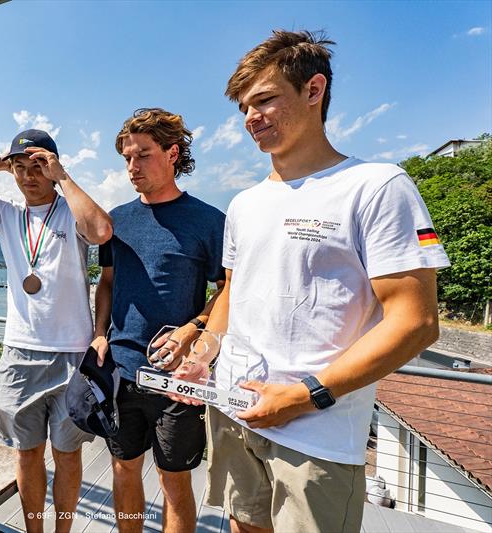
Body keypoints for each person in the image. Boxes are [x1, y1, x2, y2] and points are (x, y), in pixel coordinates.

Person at [175, 30, 450, 533]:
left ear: (314, 90)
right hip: (234, 411)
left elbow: (417, 322)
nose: (251, 118)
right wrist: (201, 357)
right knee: (242, 525)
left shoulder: (377, 187)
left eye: (264, 100)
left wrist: (304, 396)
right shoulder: (244, 203)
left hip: (317, 432)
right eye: (243, 108)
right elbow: (235, 293)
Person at [0, 129, 112, 533]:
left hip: (72, 356)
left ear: (52, 168)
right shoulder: (5, 213)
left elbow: (100, 231)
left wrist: (62, 176)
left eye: (38, 167)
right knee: (27, 455)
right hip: (19, 356)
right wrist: (0, 161)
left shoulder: (70, 211)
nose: (29, 175)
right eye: (21, 168)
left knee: (67, 456)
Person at [93, 108, 226, 533]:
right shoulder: (116, 220)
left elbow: (228, 289)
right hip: (122, 369)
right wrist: (99, 334)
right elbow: (107, 282)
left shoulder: (208, 221)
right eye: (127, 157)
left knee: (174, 480)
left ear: (172, 153)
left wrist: (195, 329)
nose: (132, 167)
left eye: (143, 155)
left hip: (178, 378)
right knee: (123, 469)